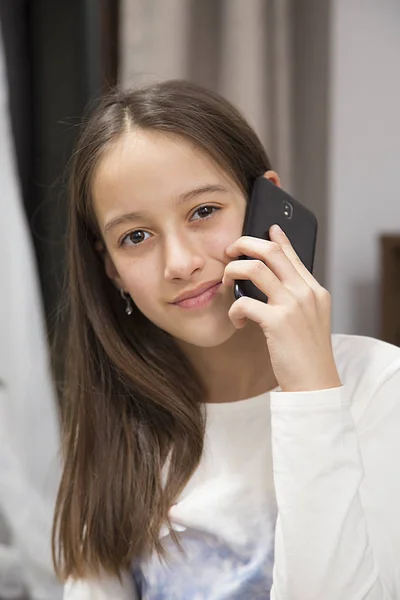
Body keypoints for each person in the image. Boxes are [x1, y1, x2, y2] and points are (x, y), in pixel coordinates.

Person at [53, 79, 400, 600]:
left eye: (203, 211)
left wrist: (311, 390)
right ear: (113, 270)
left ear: (267, 205)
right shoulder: (117, 422)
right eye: (136, 237)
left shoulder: (379, 385)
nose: (180, 263)